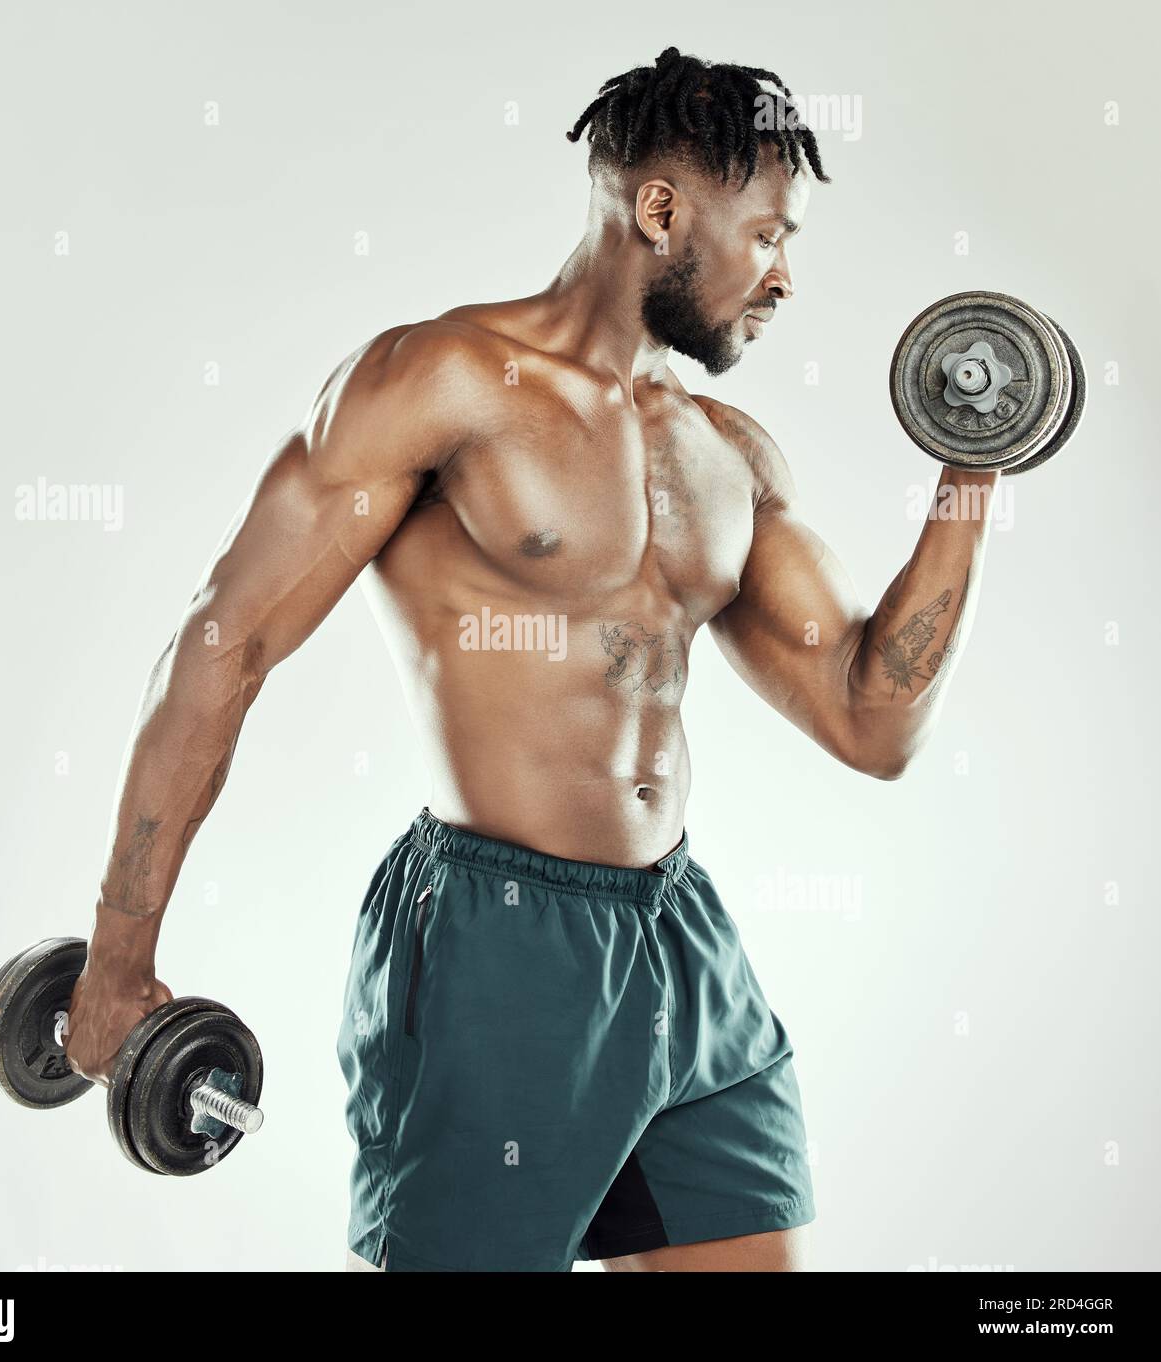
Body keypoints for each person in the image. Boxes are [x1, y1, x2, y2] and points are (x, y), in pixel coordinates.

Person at [64, 46, 997, 1272]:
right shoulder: (440, 382)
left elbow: (871, 723)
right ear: (659, 210)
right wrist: (121, 954)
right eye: (768, 235)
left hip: (681, 939)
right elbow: (222, 648)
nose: (785, 277)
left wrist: (971, 470)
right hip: (493, 944)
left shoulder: (730, 453)